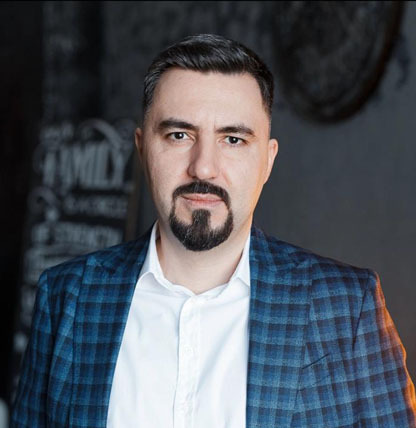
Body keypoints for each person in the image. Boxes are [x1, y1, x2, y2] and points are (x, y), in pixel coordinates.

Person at [12, 34, 415, 428]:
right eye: (179, 135)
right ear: (142, 148)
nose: (203, 167)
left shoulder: (347, 307)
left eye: (233, 139)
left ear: (267, 161)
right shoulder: (66, 297)